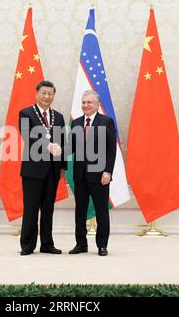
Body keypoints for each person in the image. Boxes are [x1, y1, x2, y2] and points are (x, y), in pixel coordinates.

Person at [18, 80, 67, 256]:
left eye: (50, 94)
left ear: (54, 95)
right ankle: (27, 245)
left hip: (52, 171)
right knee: (30, 208)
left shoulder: (59, 116)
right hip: (33, 170)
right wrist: (47, 146)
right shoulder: (25, 113)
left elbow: (62, 142)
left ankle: (47, 244)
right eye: (43, 93)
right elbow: (28, 136)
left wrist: (63, 166)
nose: (47, 97)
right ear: (37, 94)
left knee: (48, 209)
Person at [68, 90, 116, 256]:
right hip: (80, 175)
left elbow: (111, 150)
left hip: (99, 175)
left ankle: (102, 245)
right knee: (80, 211)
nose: (86, 105)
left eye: (89, 102)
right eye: (83, 102)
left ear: (97, 105)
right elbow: (71, 147)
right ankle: (81, 244)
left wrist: (108, 171)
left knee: (101, 210)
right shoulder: (76, 123)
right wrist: (58, 148)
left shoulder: (106, 122)